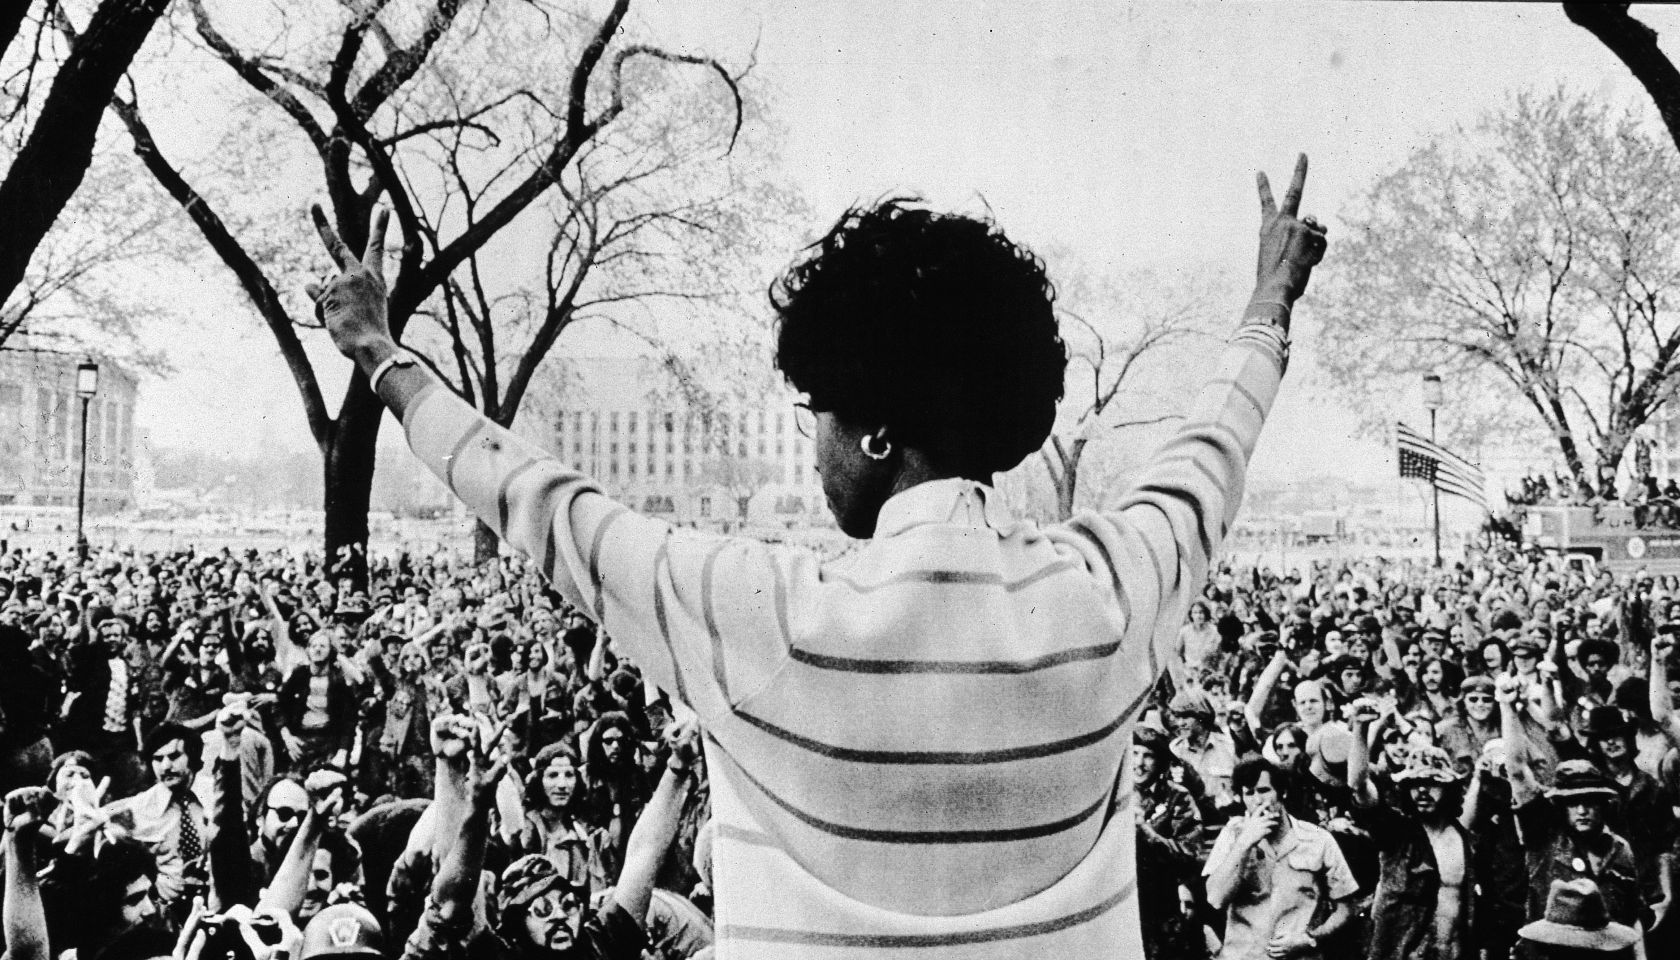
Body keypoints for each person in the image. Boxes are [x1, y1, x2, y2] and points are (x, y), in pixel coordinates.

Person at [308, 153, 1329, 953]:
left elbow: (541, 503)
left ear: (877, 431)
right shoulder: (1109, 593)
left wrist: (382, 355)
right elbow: (1212, 452)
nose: (814, 444)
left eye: (819, 413)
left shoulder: (761, 612)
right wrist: (1268, 302)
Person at [1203, 757, 1358, 960]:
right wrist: (1244, 843)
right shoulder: (1232, 835)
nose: (1258, 801)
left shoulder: (1318, 839)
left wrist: (1310, 939)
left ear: (1282, 792)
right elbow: (1215, 899)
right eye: (1249, 793)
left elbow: (1346, 908)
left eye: (1264, 791)